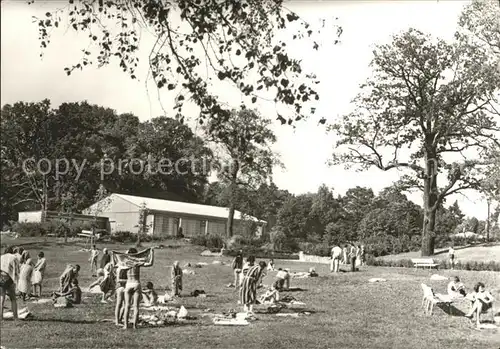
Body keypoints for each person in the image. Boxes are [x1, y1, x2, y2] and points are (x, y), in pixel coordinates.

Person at [120, 247, 154, 330]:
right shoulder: (137, 263)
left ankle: (125, 325)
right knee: (136, 307)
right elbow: (150, 263)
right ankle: (135, 325)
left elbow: (117, 264)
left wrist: (126, 253)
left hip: (128, 284)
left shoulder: (126, 263)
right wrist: (152, 253)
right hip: (136, 283)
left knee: (127, 306)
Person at [1, 246, 20, 320]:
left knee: (1, 298)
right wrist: (17, 282)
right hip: (9, 278)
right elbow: (17, 270)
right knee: (13, 299)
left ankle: (0, 317)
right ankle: (15, 317)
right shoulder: (14, 257)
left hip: (0, 277)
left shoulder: (1, 257)